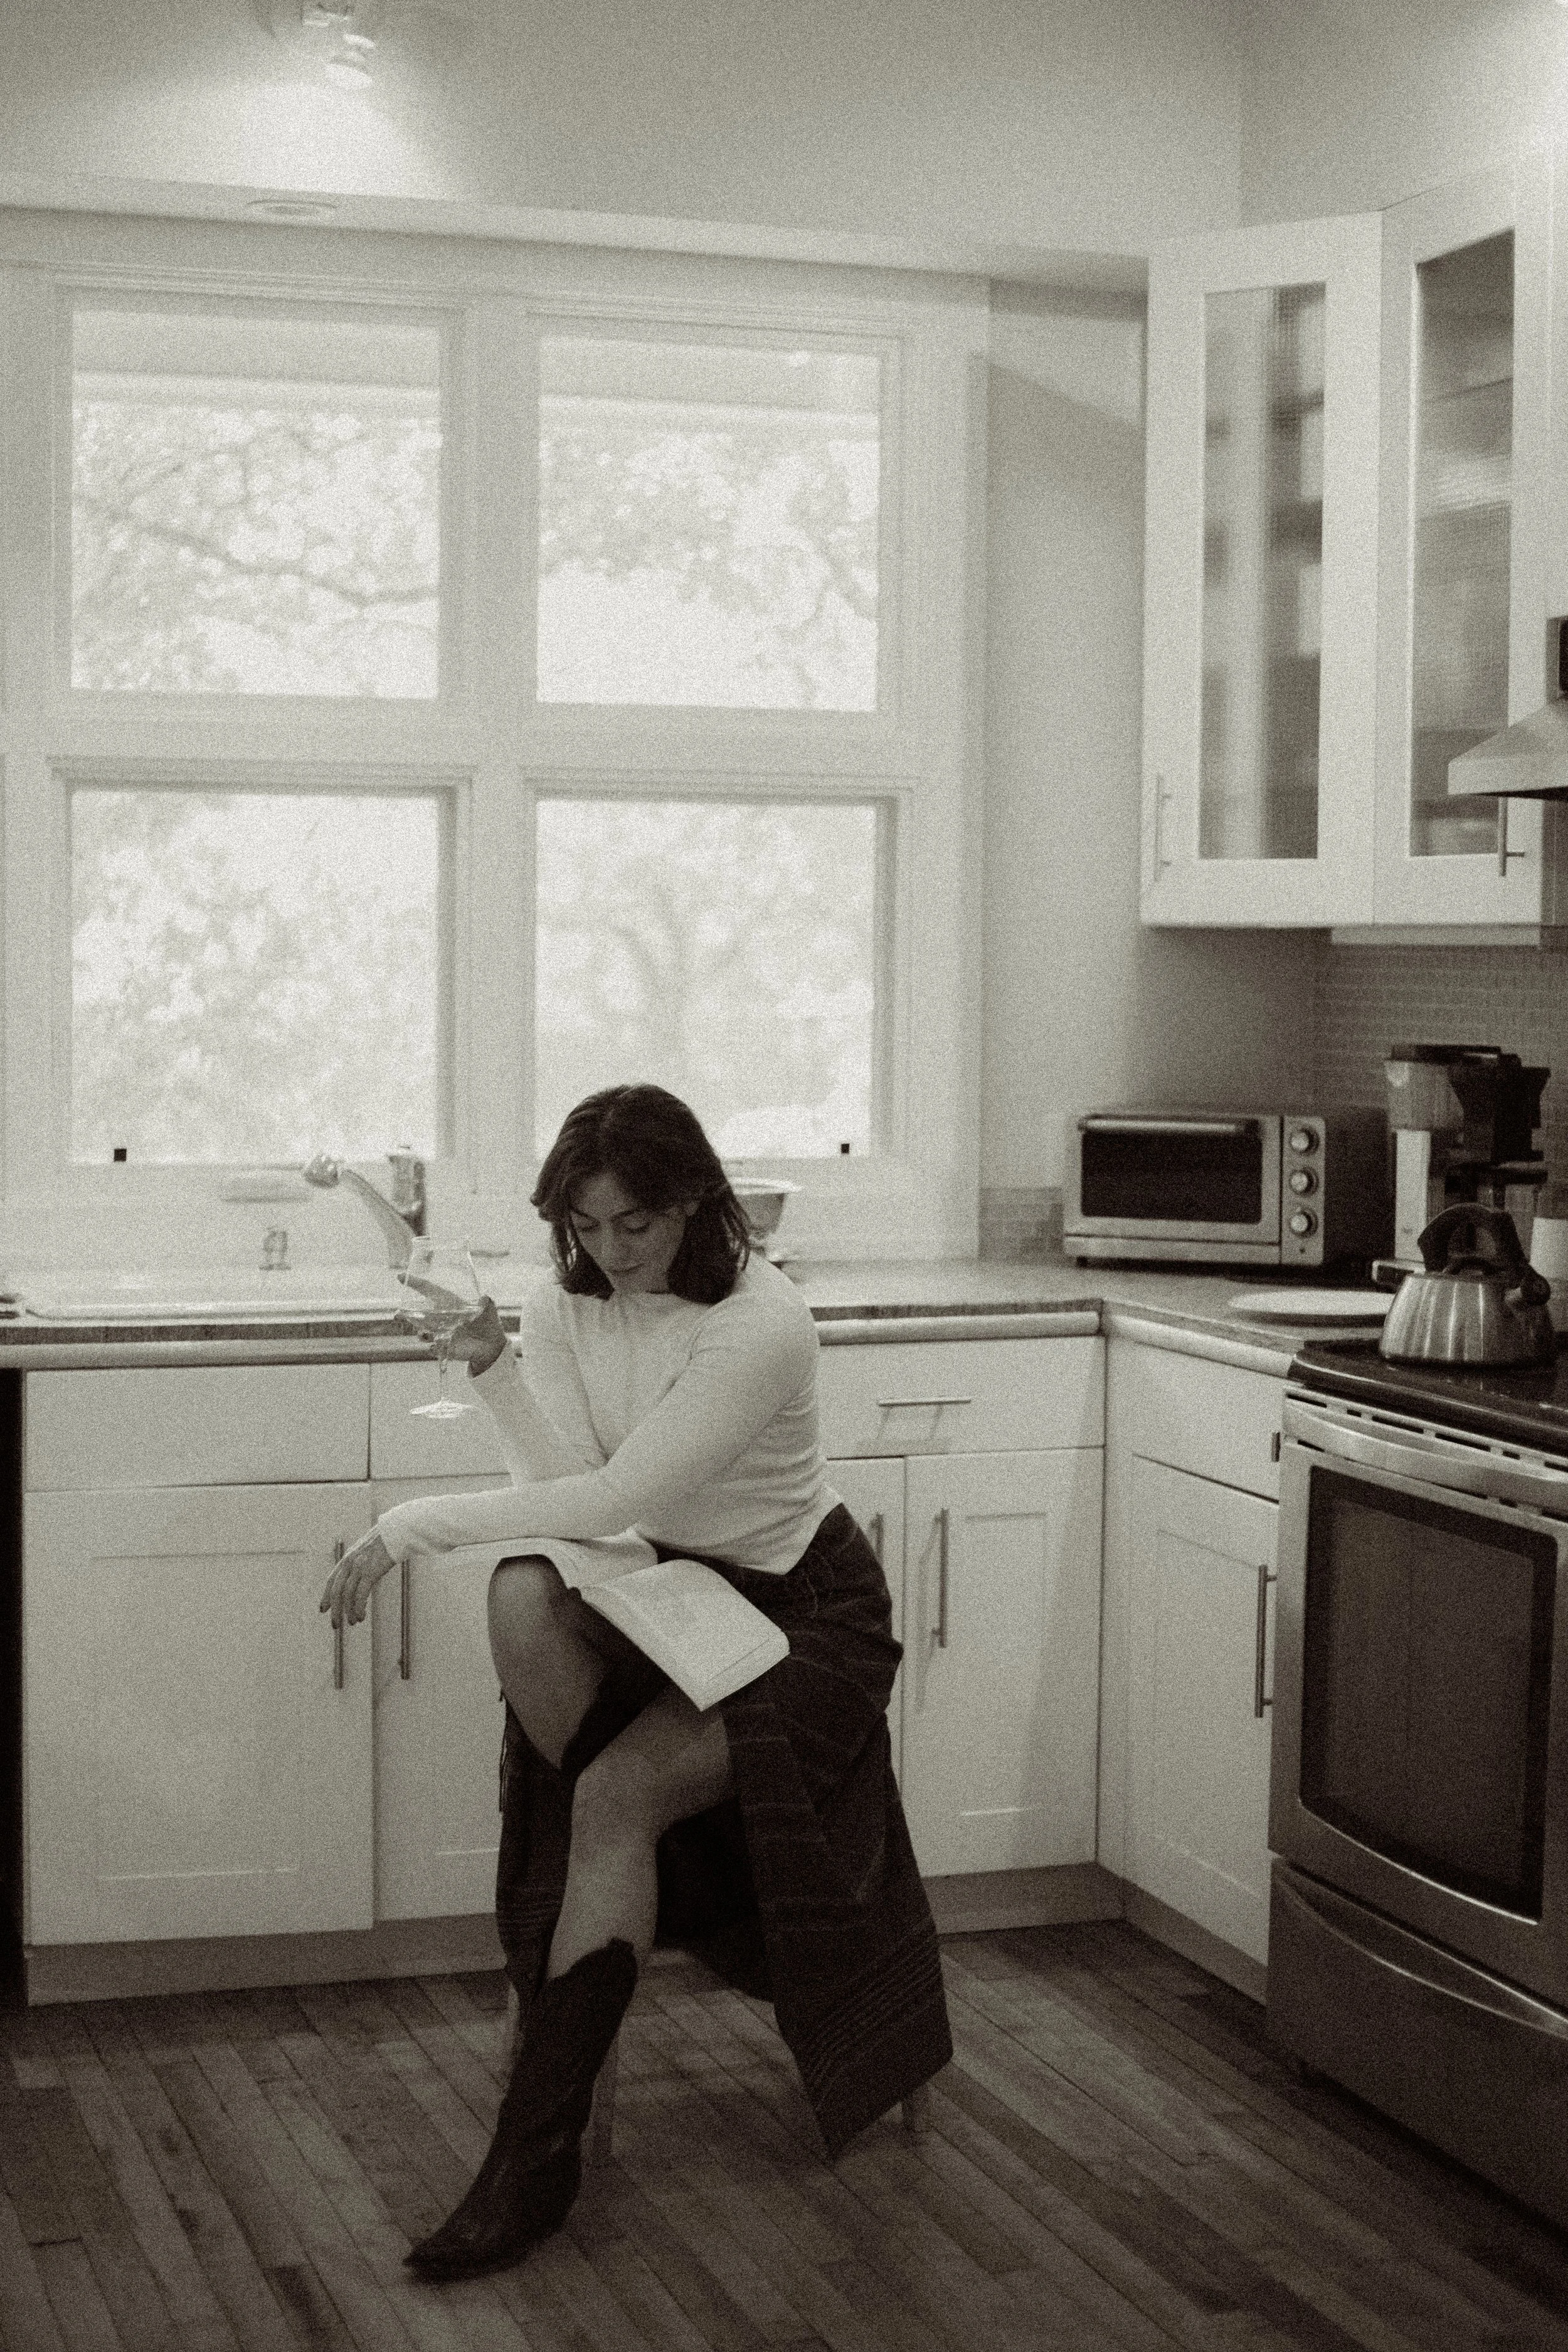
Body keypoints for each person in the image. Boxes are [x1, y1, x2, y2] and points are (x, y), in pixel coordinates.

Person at [320, 1083, 951, 2280]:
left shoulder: (761, 1324)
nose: (609, 1255)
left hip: (802, 1615)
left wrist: (407, 1524)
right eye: (587, 1227)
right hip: (661, 1584)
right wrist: (498, 1362)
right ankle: (673, 1870)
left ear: (697, 1202)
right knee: (522, 1593)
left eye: (636, 1226)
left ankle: (528, 2165)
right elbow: (570, 1490)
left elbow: (615, 1503)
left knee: (609, 1796)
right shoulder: (571, 1295)